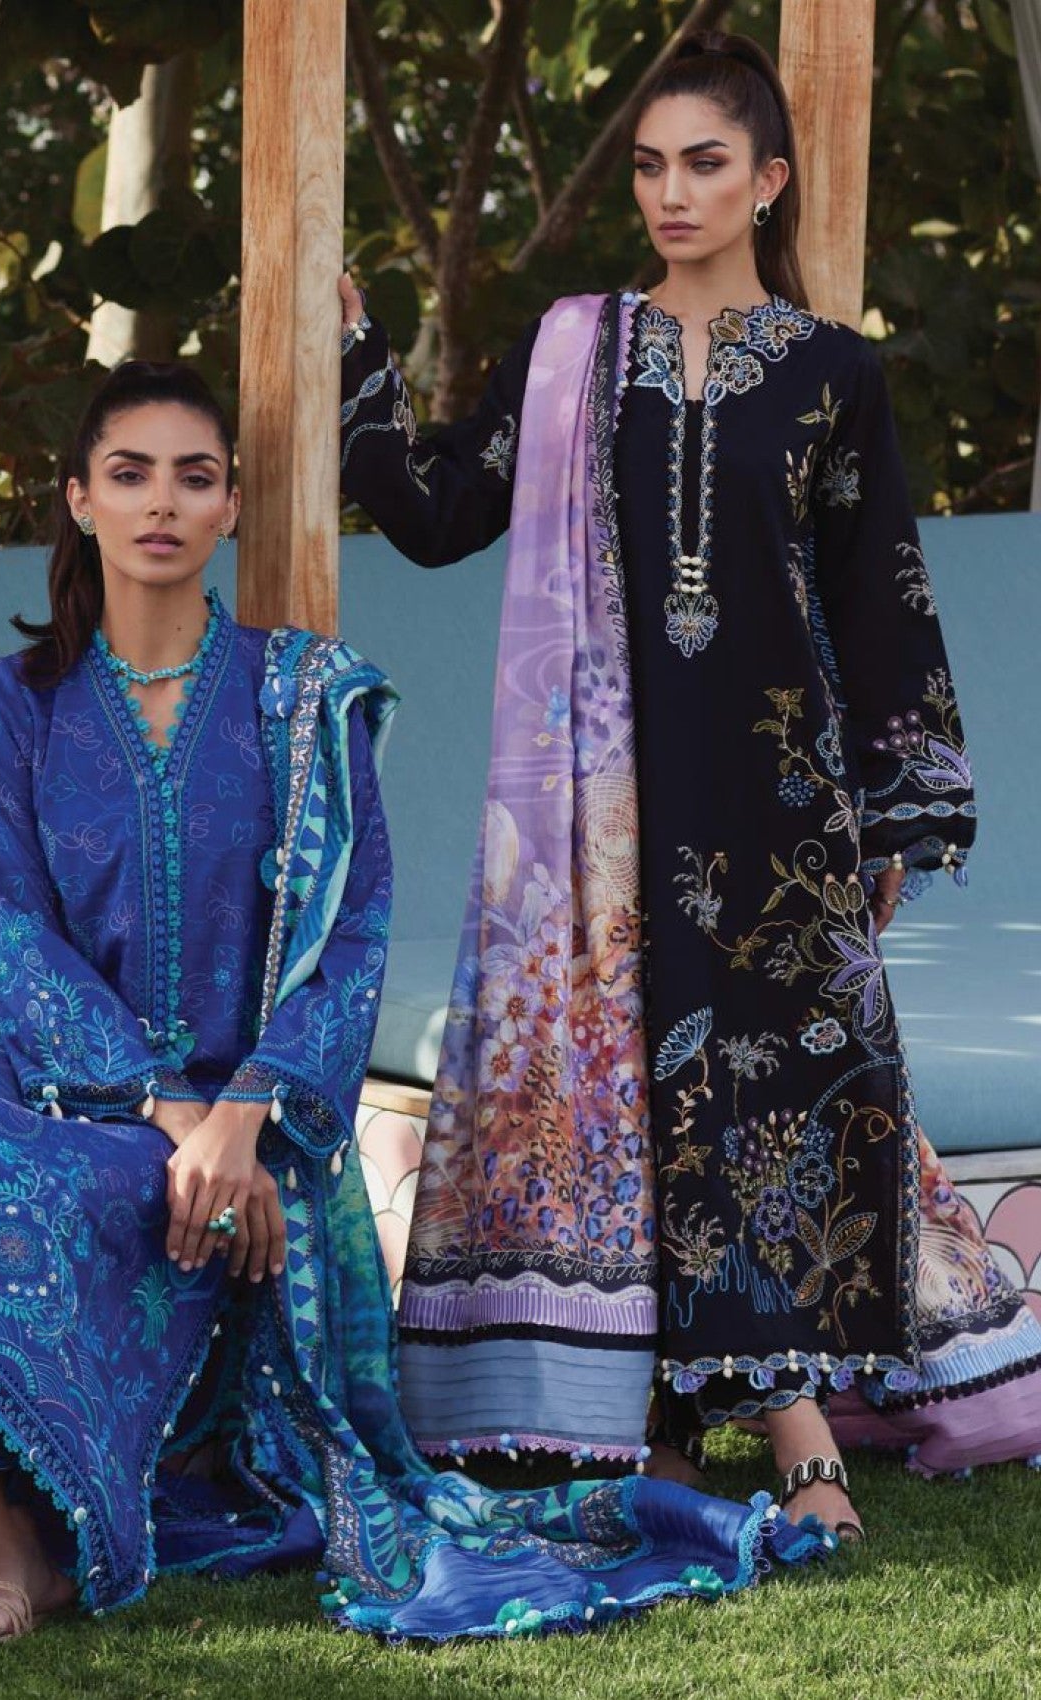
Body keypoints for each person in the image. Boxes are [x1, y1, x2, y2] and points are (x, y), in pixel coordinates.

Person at [0, 361, 829, 1684]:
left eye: (194, 477)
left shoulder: (302, 696)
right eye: (129, 475)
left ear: (231, 506)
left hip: (249, 1105)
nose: (160, 504)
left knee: (32, 1195)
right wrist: (174, 1114)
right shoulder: (20, 705)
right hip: (63, 1075)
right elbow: (18, 940)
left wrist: (242, 1114)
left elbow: (352, 937)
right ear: (78, 500)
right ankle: (8, 1533)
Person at [337, 30, 1041, 1542]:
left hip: (781, 805)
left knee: (777, 1091)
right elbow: (439, 510)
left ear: (767, 180)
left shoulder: (835, 375)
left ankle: (769, 1418)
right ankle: (715, 1424)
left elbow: (879, 594)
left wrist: (902, 806)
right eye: (652, 166)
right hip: (602, 808)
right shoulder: (572, 356)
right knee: (638, 1089)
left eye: (705, 164)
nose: (671, 192)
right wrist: (354, 363)